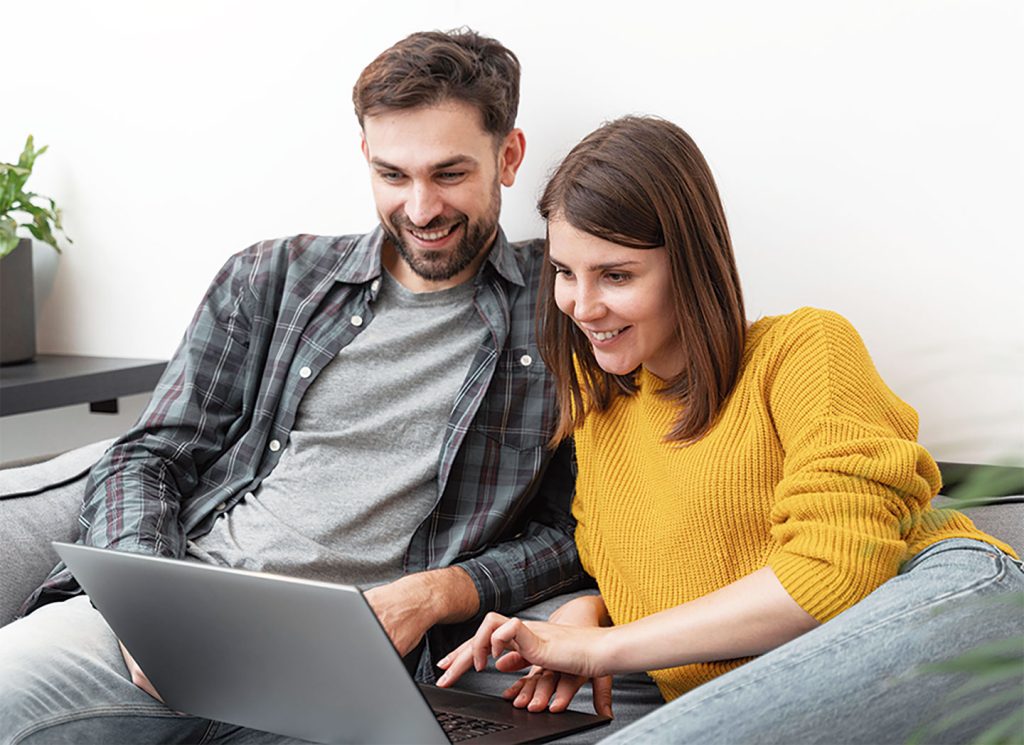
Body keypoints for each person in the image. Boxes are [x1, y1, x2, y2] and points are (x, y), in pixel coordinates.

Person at [0, 28, 595, 744]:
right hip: (176, 613)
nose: (420, 208)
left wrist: (440, 592)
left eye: (448, 174)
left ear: (509, 157)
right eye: (393, 175)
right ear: (365, 156)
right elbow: (148, 455)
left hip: (347, 663)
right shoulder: (271, 277)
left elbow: (577, 531)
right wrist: (147, 605)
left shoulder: (567, 308)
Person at [436, 116, 1024, 743]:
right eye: (565, 272)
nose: (582, 305)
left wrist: (604, 648)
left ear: (690, 265)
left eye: (617, 275)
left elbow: (834, 572)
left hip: (953, 601)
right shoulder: (600, 414)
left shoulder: (804, 349)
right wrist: (594, 609)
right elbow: (690, 562)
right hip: (781, 681)